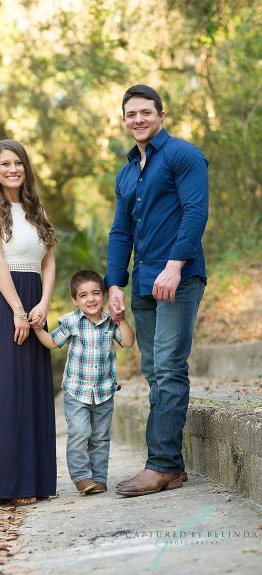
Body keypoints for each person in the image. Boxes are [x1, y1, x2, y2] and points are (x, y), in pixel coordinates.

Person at [106, 85, 208, 497]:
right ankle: (172, 467)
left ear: (160, 115)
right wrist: (115, 282)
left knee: (168, 367)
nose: (138, 120)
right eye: (131, 114)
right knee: (153, 371)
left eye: (145, 112)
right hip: (144, 283)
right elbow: (120, 231)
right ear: (124, 120)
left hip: (178, 279)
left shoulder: (184, 155)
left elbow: (195, 210)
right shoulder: (126, 173)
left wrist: (175, 264)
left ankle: (161, 466)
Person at [0, 140, 59, 506]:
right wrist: (19, 311)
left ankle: (32, 480)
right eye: (5, 164)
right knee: (6, 393)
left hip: (35, 298)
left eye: (18, 163)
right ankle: (7, 484)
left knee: (33, 391)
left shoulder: (37, 210)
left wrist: (44, 304)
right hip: (4, 302)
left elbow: (48, 262)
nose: (13, 169)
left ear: (26, 168)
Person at [32, 270, 135, 496]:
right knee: (79, 432)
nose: (91, 299)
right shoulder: (71, 322)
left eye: (96, 293)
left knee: (100, 437)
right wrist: (38, 329)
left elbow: (128, 342)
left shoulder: (110, 321)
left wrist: (122, 319)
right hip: (76, 392)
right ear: (75, 300)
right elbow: (51, 342)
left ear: (104, 296)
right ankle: (81, 477)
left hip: (104, 392)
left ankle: (98, 478)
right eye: (84, 295)